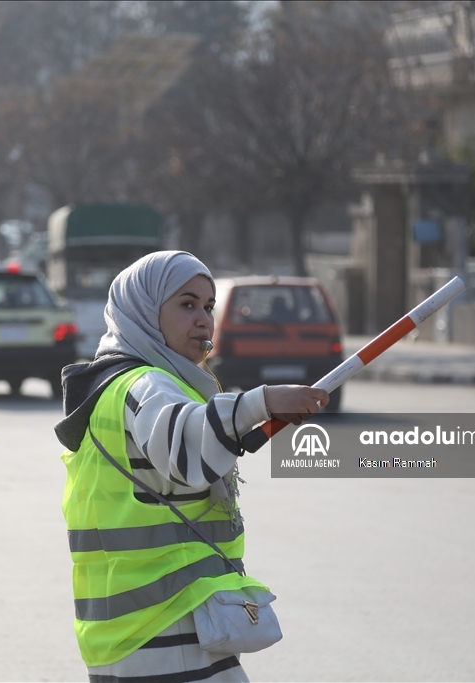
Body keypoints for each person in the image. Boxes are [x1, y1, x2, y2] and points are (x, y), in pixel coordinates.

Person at [55, 251, 328, 682]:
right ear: (143, 311)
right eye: (186, 305)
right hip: (167, 627)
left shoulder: (117, 384)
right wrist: (263, 401)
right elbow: (186, 446)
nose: (203, 320)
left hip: (130, 635)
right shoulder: (144, 383)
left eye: (208, 306)